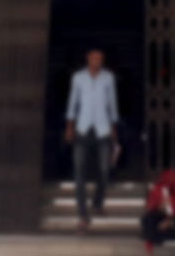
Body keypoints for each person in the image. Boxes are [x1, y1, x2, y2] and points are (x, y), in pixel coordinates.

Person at [64, 47, 119, 231]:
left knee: (104, 169)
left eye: (99, 59)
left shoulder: (108, 77)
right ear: (88, 59)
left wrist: (114, 128)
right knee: (79, 171)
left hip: (103, 129)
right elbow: (73, 102)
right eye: (94, 58)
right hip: (82, 128)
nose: (96, 61)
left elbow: (112, 103)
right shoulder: (78, 77)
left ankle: (97, 202)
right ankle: (83, 216)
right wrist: (69, 127)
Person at [140, 169, 175, 255]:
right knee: (148, 218)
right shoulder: (158, 189)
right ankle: (149, 249)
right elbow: (151, 206)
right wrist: (160, 206)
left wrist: (171, 219)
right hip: (160, 217)